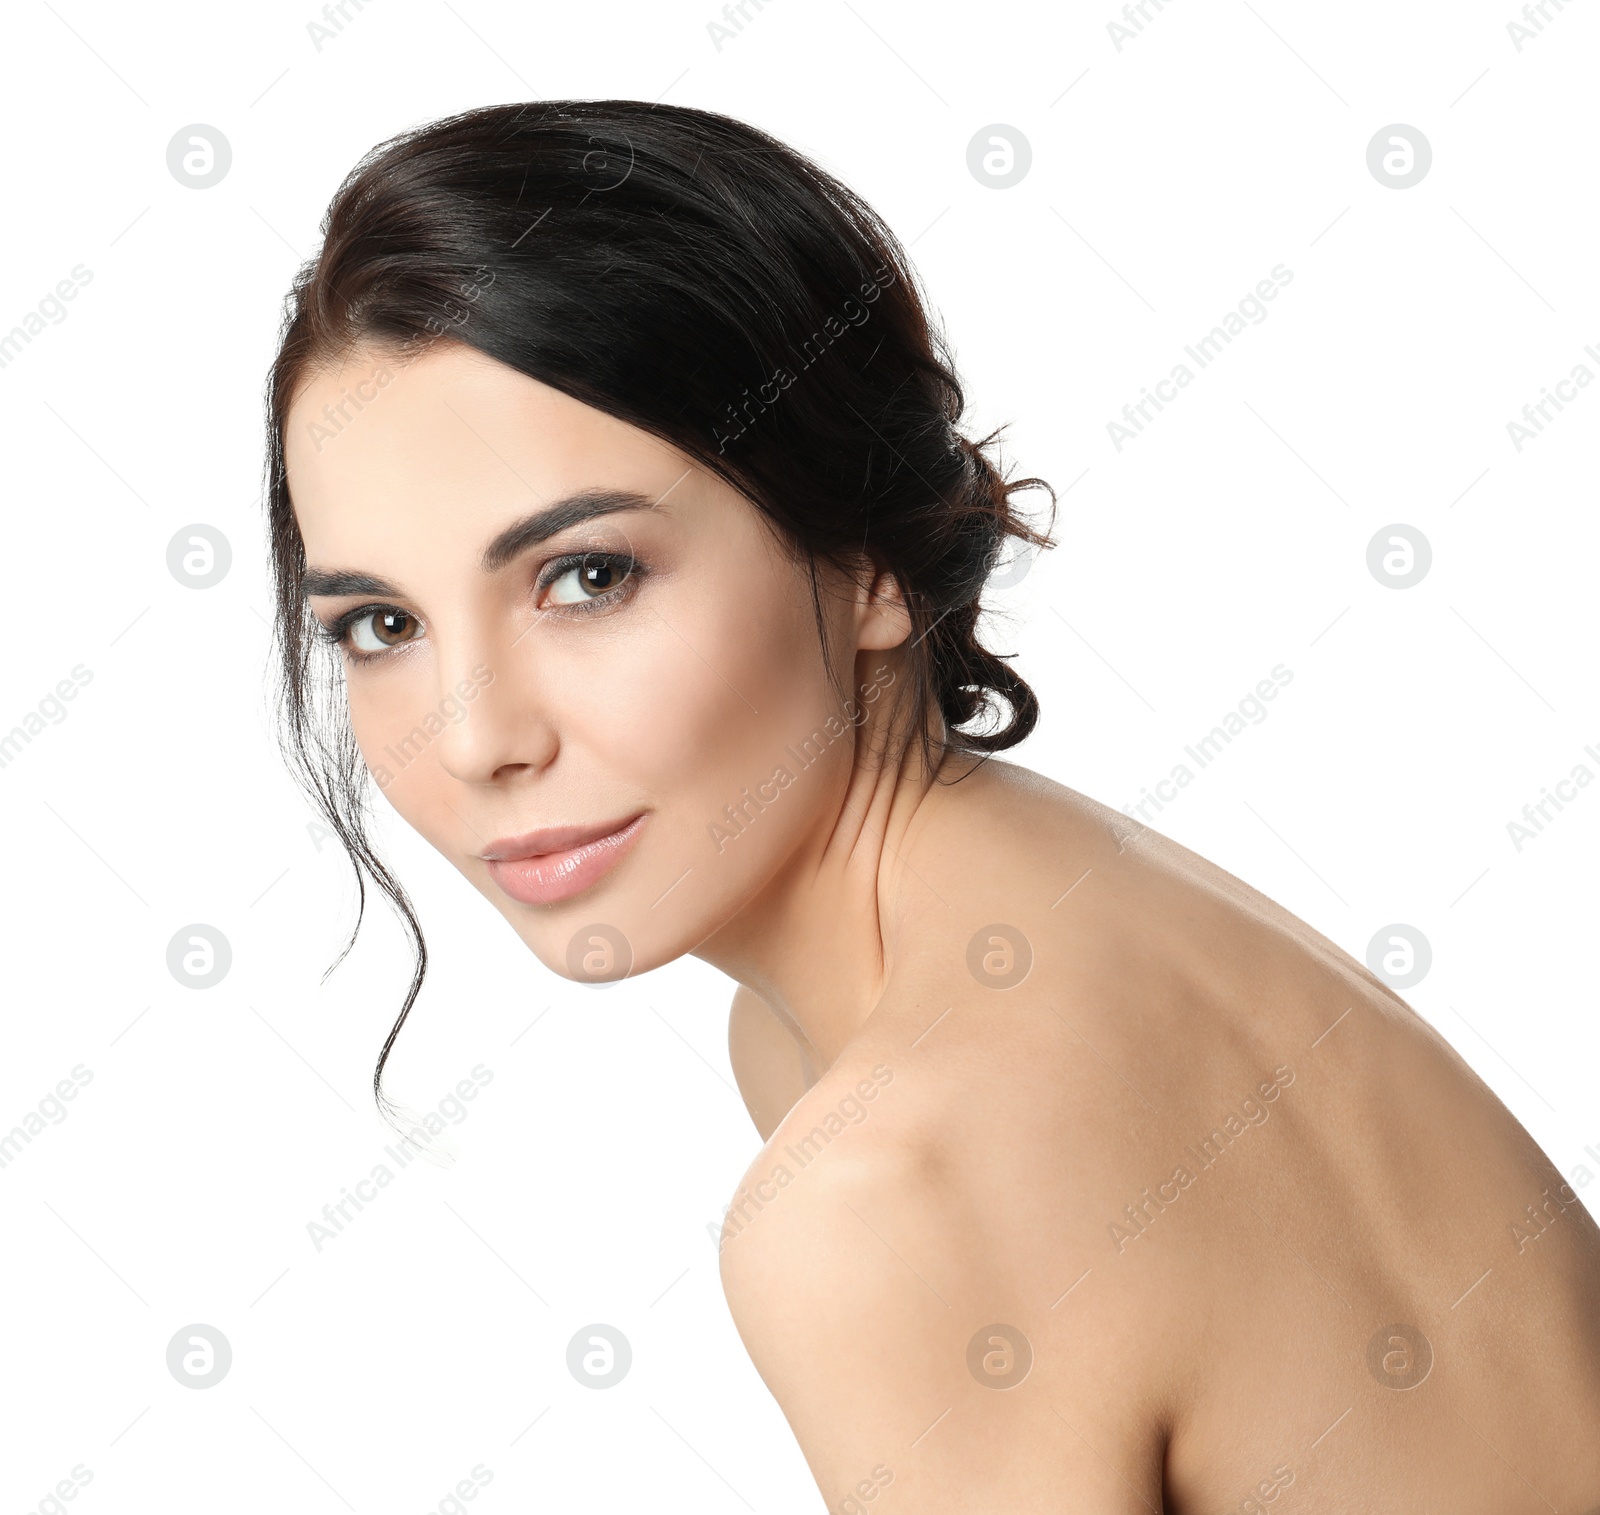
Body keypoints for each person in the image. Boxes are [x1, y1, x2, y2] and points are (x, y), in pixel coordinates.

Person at [266, 98, 1600, 1511]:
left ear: (869, 562)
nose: (476, 739)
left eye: (587, 577)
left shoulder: (887, 1189)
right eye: (380, 626)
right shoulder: (1066, 910)